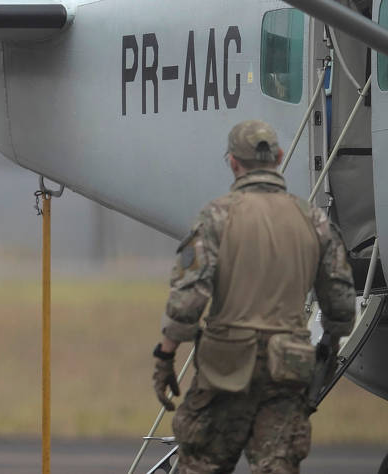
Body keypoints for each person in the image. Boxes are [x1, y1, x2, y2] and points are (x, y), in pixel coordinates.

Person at [151, 120, 356, 473]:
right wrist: (328, 351)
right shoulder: (314, 220)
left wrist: (164, 359)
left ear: (233, 162)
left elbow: (188, 301)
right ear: (277, 157)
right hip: (287, 372)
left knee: (202, 463)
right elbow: (340, 304)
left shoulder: (215, 217)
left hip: (224, 369)